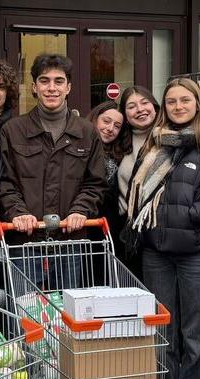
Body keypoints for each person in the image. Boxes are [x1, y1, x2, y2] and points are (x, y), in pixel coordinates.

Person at [125, 77, 200, 379]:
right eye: (171, 101)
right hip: (157, 253)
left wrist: (190, 214)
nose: (178, 106)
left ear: (196, 104)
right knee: (162, 332)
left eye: (184, 100)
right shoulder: (153, 146)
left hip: (195, 254)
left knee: (194, 334)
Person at [0, 54, 108, 287]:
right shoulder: (13, 130)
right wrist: (18, 213)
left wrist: (81, 210)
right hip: (26, 240)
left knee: (66, 315)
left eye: (58, 81)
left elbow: (95, 182)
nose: (51, 88)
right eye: (44, 81)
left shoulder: (87, 132)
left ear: (68, 87)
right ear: (34, 87)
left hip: (71, 241)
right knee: (28, 313)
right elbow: (4, 181)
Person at [115, 86, 160, 276]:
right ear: (125, 114)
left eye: (144, 103)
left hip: (159, 228)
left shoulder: (169, 138)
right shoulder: (119, 141)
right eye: (132, 106)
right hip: (128, 232)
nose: (140, 109)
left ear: (155, 106)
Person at [86, 100, 130, 264]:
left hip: (110, 233)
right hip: (83, 228)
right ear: (95, 118)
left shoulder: (119, 155)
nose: (110, 128)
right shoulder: (80, 148)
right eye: (106, 121)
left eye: (117, 126)